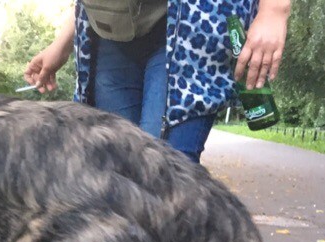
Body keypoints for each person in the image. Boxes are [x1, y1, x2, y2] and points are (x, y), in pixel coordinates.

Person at [25, 0, 291, 162]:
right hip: (110, 29)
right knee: (113, 175)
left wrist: (274, 9)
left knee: (167, 175)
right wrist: (63, 42)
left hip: (194, 22)